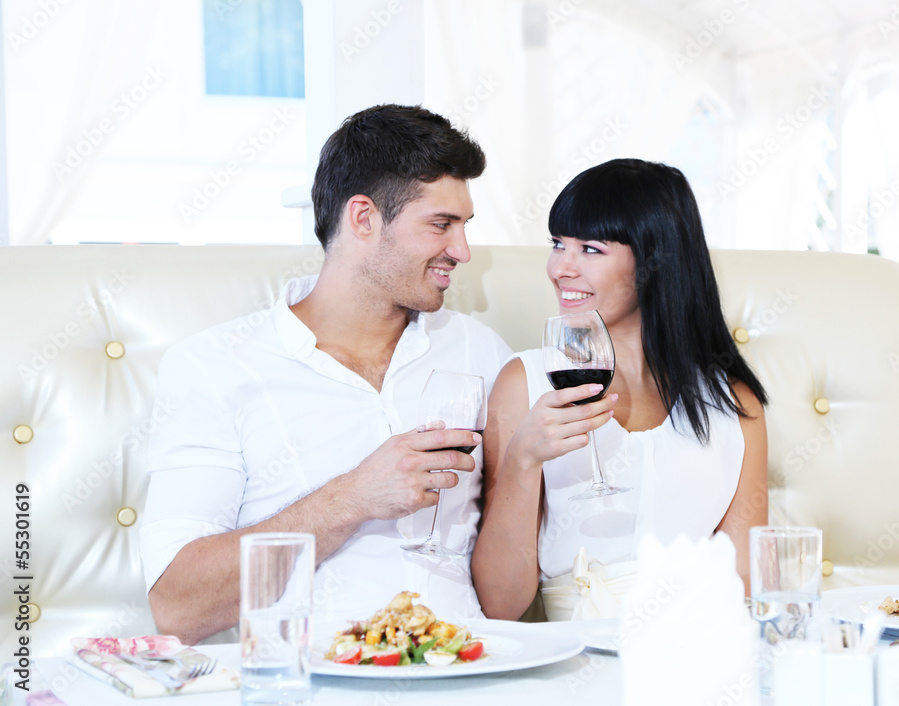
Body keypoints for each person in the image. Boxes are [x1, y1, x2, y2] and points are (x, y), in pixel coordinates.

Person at [140, 104, 511, 645]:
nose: (462, 251)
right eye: (441, 225)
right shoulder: (213, 368)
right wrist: (352, 498)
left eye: (464, 226)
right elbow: (178, 609)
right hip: (312, 676)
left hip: (471, 667)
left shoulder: (480, 351)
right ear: (363, 218)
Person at [471, 158, 768, 621]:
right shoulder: (523, 384)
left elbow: (745, 586)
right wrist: (522, 462)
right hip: (573, 653)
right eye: (557, 244)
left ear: (655, 260)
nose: (560, 268)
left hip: (696, 645)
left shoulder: (733, 403)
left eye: (590, 249)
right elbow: (500, 605)